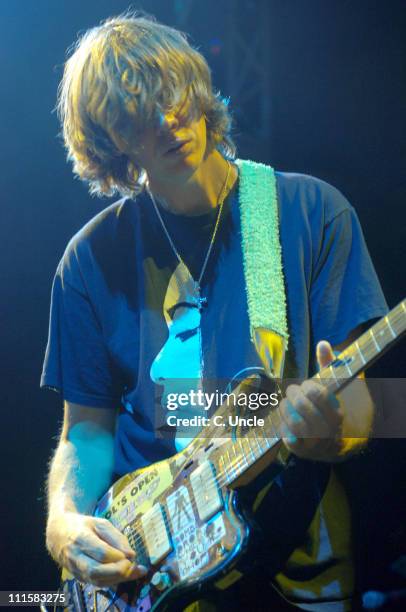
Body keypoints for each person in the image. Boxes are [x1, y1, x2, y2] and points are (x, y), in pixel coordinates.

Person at [41, 12, 388, 611]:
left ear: (196, 85)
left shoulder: (309, 212)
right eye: (135, 115)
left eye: (172, 94)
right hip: (149, 570)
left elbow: (365, 403)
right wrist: (63, 522)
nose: (166, 120)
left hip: (293, 562)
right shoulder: (88, 262)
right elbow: (86, 430)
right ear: (111, 141)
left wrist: (332, 431)